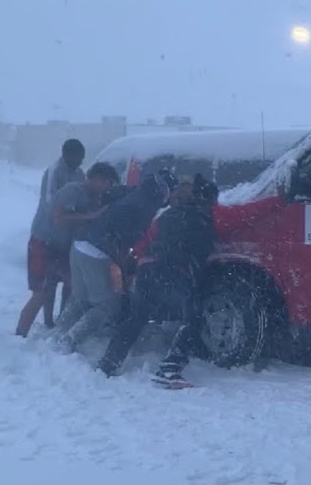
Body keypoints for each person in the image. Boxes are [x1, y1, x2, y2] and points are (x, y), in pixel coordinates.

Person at [97, 175, 219, 381]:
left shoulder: (169, 215)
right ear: (209, 201)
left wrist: (132, 267)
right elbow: (201, 255)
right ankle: (170, 368)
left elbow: (145, 241)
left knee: (136, 317)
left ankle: (108, 363)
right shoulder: (203, 221)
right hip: (172, 272)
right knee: (193, 317)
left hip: (148, 269)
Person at [51, 173, 171, 354]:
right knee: (108, 305)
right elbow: (132, 240)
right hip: (97, 253)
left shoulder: (132, 195)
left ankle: (57, 333)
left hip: (79, 246)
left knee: (81, 297)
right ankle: (70, 339)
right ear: (161, 193)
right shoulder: (145, 208)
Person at [16, 162, 119, 337]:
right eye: (108, 183)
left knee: (72, 286)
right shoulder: (72, 190)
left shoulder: (95, 197)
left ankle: (56, 325)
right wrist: (91, 216)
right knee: (41, 292)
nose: (108, 188)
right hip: (43, 243)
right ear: (97, 179)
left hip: (64, 247)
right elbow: (58, 217)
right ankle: (20, 335)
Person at [16, 139, 86, 336]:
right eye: (75, 159)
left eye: (81, 159)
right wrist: (72, 212)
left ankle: (62, 320)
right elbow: (50, 204)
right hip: (44, 237)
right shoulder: (54, 171)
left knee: (70, 283)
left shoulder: (80, 173)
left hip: (65, 239)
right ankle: (31, 328)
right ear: (65, 155)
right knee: (44, 287)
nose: (79, 163)